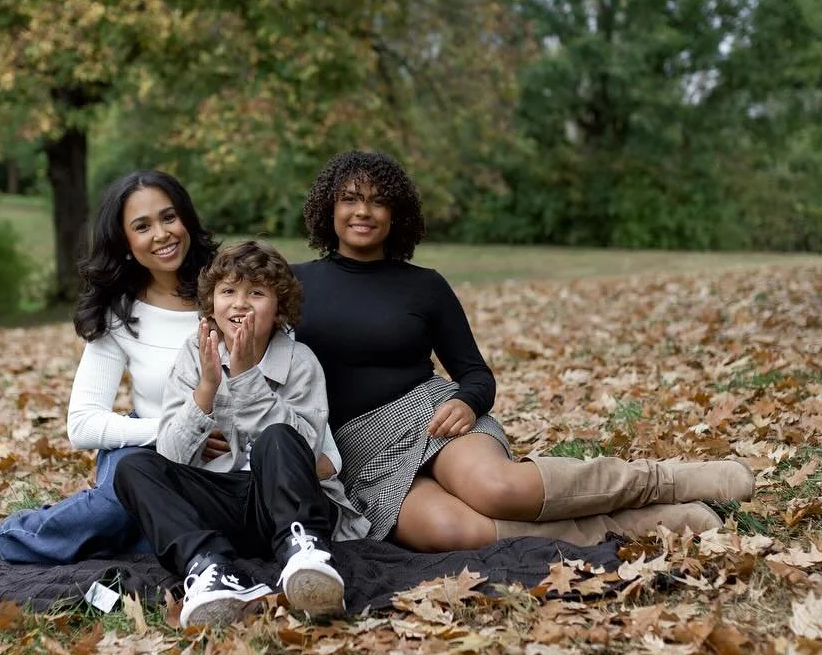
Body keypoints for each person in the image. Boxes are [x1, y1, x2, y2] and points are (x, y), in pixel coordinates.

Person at [291, 150, 755, 551]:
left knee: (498, 489)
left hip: (429, 416)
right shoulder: (293, 285)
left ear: (397, 214)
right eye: (350, 199)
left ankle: (668, 481)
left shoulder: (424, 287)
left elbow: (477, 375)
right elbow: (234, 325)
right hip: (355, 452)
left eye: (377, 201)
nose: (363, 212)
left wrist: (466, 402)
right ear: (329, 208)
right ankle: (634, 525)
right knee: (451, 531)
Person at [0, 169, 219, 563]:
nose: (161, 234)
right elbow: (83, 424)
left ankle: (63, 529)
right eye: (142, 226)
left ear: (187, 220)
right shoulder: (119, 315)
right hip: (145, 450)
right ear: (125, 243)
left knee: (149, 537)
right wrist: (174, 431)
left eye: (168, 217)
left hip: (220, 467)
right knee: (117, 506)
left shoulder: (228, 291)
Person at [114, 241, 366, 627]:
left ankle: (304, 553)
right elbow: (171, 455)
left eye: (256, 293)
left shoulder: (300, 361)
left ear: (279, 307)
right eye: (228, 291)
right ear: (212, 303)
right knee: (134, 467)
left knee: (278, 437)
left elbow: (307, 451)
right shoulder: (195, 354)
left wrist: (248, 379)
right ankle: (210, 568)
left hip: (284, 505)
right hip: (224, 504)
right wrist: (206, 390)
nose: (240, 303)